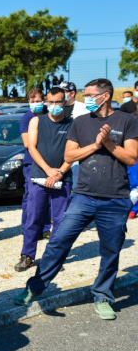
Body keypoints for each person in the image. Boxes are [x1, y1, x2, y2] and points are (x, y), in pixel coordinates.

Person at [15, 79, 138, 321]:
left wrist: (109, 144)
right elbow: (69, 154)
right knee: (58, 241)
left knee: (111, 251)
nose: (86, 98)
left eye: (91, 95)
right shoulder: (81, 122)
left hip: (115, 198)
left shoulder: (128, 121)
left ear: (106, 96)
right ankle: (35, 288)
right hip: (83, 195)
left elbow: (132, 158)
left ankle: (103, 296)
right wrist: (95, 145)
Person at [16, 87, 73, 272]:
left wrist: (60, 172)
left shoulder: (72, 125)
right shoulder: (36, 121)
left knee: (60, 220)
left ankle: (53, 258)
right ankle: (27, 256)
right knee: (33, 217)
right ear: (46, 102)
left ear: (65, 102)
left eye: (58, 102)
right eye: (51, 102)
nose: (54, 106)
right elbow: (31, 148)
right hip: (39, 176)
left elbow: (73, 153)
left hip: (63, 178)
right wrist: (48, 170)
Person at [20, 88, 52, 242]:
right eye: (32, 101)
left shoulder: (48, 115)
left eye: (38, 101)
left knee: (47, 197)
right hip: (31, 163)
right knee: (31, 197)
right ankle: (28, 228)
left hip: (49, 162)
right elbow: (28, 143)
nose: (35, 104)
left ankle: (45, 228)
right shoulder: (27, 118)